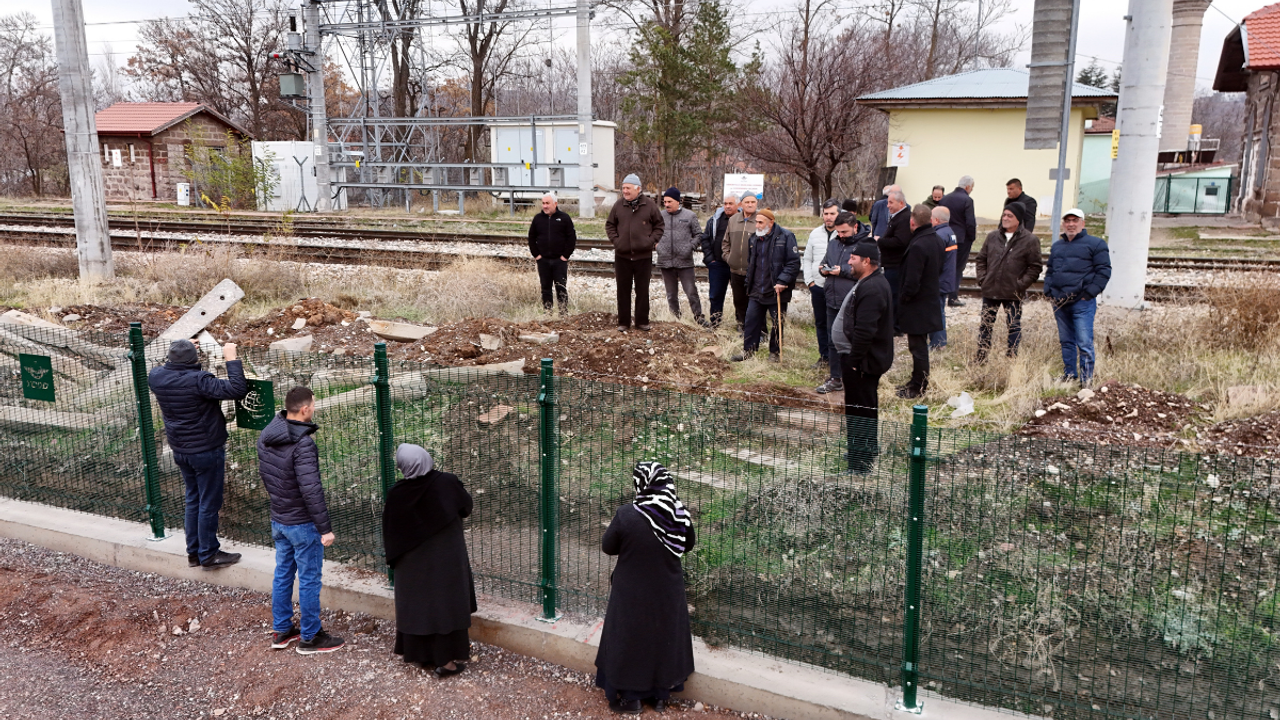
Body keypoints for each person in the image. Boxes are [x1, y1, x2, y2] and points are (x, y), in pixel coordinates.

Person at [594, 461, 695, 715]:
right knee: (663, 638)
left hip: (631, 592)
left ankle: (633, 698)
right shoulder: (679, 514)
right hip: (667, 592)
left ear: (641, 484)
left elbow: (608, 547)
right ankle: (660, 697)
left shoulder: (627, 514)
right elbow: (688, 544)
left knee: (631, 638)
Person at [257, 386, 344, 655]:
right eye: (313, 405)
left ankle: (281, 631)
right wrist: (325, 528)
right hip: (302, 524)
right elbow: (311, 489)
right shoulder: (303, 444)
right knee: (308, 578)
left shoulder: (267, 435)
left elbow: (267, 475)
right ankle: (310, 637)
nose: (314, 408)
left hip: (279, 518)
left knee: (283, 573)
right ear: (305, 409)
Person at [147, 338, 248, 570]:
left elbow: (169, 365)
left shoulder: (156, 377)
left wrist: (182, 348)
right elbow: (237, 389)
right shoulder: (199, 381)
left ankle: (194, 552)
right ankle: (209, 554)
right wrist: (231, 358)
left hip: (180, 449)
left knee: (193, 499)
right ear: (194, 360)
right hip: (206, 449)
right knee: (209, 503)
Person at [383, 444, 476, 678]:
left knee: (419, 607)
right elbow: (466, 507)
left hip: (411, 565)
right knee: (445, 606)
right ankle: (447, 662)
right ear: (426, 459)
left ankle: (421, 656)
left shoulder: (397, 494)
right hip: (446, 560)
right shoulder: (446, 483)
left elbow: (391, 532)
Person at [830, 241, 894, 474]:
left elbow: (866, 330)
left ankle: (860, 464)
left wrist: (854, 362)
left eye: (853, 258)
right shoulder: (870, 282)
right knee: (864, 407)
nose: (849, 261)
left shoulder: (873, 288)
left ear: (867, 261)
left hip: (862, 363)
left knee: (860, 410)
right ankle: (865, 448)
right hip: (861, 360)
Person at [1043, 208, 1111, 386]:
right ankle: (1069, 375)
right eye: (1067, 221)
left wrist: (1088, 294)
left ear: (1083, 223)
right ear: (1063, 224)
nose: (1071, 224)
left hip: (1082, 303)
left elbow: (1103, 271)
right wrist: (1048, 290)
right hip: (1059, 301)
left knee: (1084, 342)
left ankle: (1086, 380)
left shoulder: (1096, 244)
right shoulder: (1058, 246)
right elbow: (1050, 270)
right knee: (1066, 341)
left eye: (1075, 220)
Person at [974, 203, 1043, 362]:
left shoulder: (1030, 240)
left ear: (1018, 219)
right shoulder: (993, 236)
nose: (1005, 218)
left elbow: (1035, 267)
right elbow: (981, 259)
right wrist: (983, 279)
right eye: (1004, 215)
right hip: (990, 289)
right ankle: (981, 358)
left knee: (1013, 327)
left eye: (1009, 216)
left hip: (1012, 292)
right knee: (985, 326)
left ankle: (1011, 359)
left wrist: (1020, 284)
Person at [733, 208, 801, 362]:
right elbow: (752, 264)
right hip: (756, 289)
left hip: (776, 290)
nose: (757, 225)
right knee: (751, 321)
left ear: (771, 222)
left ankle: (775, 353)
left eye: (760, 222)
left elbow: (793, 263)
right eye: (756, 222)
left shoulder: (786, 237)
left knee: (777, 324)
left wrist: (783, 281)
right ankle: (748, 350)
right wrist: (748, 283)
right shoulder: (754, 239)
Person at [815, 211, 871, 394]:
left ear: (855, 227)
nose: (841, 235)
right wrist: (824, 269)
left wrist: (843, 271)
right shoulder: (834, 243)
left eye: (844, 232)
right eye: (838, 232)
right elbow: (825, 261)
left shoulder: (866, 245)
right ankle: (836, 377)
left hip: (853, 300)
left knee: (854, 341)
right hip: (832, 298)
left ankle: (857, 376)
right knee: (833, 340)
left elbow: (868, 270)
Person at [895, 205, 945, 399]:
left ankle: (918, 387)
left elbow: (912, 279)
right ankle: (916, 381)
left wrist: (904, 298)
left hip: (917, 305)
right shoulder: (937, 240)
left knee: (918, 348)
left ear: (912, 221)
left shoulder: (918, 245)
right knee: (919, 346)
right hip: (929, 300)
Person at [606, 173, 664, 332]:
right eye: (623, 188)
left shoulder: (650, 205)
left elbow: (659, 226)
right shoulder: (618, 205)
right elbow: (610, 226)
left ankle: (641, 321)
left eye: (628, 188)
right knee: (623, 290)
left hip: (643, 256)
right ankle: (624, 322)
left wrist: (649, 241)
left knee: (642, 290)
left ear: (638, 189)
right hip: (622, 256)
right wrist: (617, 241)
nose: (624, 191)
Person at [657, 187, 707, 325]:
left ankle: (699, 318)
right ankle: (675, 321)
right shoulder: (660, 216)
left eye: (670, 201)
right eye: (665, 201)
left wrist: (690, 247)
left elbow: (699, 235)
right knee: (671, 295)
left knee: (691, 292)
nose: (666, 204)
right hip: (665, 261)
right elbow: (651, 234)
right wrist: (657, 246)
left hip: (685, 262)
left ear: (678, 201)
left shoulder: (690, 216)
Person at [802, 199, 841, 369]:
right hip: (817, 286)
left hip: (837, 287)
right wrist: (809, 281)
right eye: (826, 214)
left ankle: (837, 359)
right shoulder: (815, 234)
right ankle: (824, 356)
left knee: (837, 324)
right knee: (821, 322)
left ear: (838, 214)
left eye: (832, 213)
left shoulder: (842, 234)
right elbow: (807, 258)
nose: (828, 217)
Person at [527, 193, 577, 315]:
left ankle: (563, 313)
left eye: (547, 203)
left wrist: (565, 256)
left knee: (561, 287)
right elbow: (531, 238)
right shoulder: (538, 219)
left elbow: (571, 238)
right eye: (543, 203)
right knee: (545, 288)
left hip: (559, 261)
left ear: (555, 204)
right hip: (543, 260)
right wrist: (537, 255)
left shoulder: (564, 218)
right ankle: (548, 312)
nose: (545, 206)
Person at [699, 195, 737, 327]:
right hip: (718, 265)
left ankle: (742, 325)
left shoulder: (742, 220)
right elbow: (705, 239)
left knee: (740, 297)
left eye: (731, 203)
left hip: (737, 266)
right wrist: (710, 259)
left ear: (738, 205)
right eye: (725, 203)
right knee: (715, 296)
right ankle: (715, 324)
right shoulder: (715, 220)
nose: (727, 206)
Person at [939, 176, 977, 307]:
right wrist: (971, 238)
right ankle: (953, 297)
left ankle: (942, 294)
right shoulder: (967, 200)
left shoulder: (945, 199)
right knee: (958, 267)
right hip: (961, 239)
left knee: (944, 265)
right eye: (972, 187)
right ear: (968, 187)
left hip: (944, 236)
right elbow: (970, 222)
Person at [723, 192, 759, 328]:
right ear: (741, 204)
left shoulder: (760, 220)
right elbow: (725, 243)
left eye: (753, 202)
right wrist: (729, 258)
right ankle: (741, 325)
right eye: (747, 202)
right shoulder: (733, 220)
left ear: (756, 203)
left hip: (754, 272)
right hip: (735, 270)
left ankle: (757, 329)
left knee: (755, 301)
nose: (750, 205)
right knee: (738, 300)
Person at [878, 187, 912, 322]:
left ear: (901, 203)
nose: (888, 206)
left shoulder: (903, 218)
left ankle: (895, 325)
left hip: (896, 264)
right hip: (892, 263)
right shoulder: (899, 217)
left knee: (894, 294)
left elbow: (900, 242)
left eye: (891, 203)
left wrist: (880, 241)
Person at [929, 207, 957, 350]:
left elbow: (935, 261)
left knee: (936, 312)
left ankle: (938, 343)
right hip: (946, 279)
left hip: (939, 281)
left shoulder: (939, 235)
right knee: (938, 310)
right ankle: (938, 342)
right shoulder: (949, 233)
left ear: (936, 220)